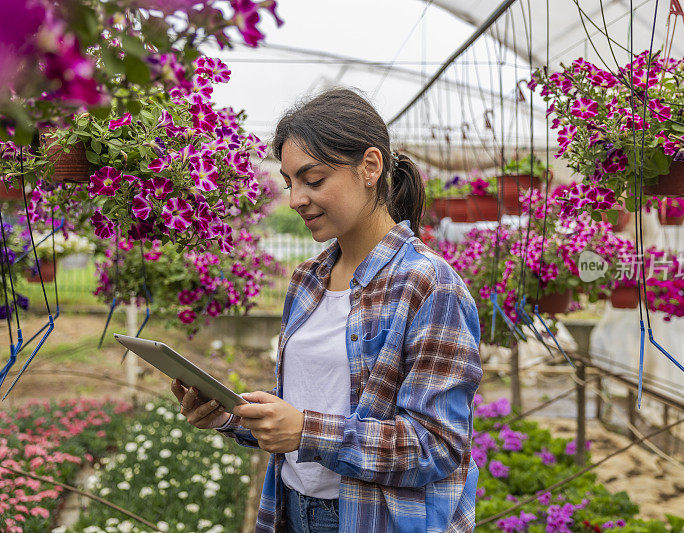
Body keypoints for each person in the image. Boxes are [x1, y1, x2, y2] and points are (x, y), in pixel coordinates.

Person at [171, 87, 482, 533]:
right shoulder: (307, 280)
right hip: (291, 509)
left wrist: (306, 432)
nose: (296, 198)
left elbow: (437, 445)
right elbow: (307, 410)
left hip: (371, 520)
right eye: (290, 182)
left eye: (313, 180)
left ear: (370, 167)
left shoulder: (429, 285)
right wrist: (228, 414)